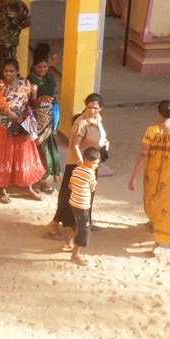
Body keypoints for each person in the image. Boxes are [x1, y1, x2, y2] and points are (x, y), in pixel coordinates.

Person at [44, 93, 109, 242]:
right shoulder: (81, 123)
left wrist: (105, 145)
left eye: (95, 108)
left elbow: (100, 138)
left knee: (88, 194)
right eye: (89, 107)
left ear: (101, 108)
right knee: (69, 195)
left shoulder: (98, 120)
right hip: (77, 165)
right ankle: (54, 224)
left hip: (91, 165)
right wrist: (81, 165)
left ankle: (84, 222)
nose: (92, 110)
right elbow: (75, 146)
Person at [128, 100, 170, 257]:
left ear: (159, 114)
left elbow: (143, 153)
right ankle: (158, 240)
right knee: (168, 204)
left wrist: (133, 177)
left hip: (152, 174)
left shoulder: (151, 131)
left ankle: (156, 237)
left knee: (152, 198)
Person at [0, 58, 45, 204]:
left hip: (22, 125)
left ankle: (27, 187)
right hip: (4, 128)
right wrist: (5, 112)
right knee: (4, 157)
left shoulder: (25, 84)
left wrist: (29, 110)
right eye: (5, 71)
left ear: (17, 71)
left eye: (11, 71)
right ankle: (1, 189)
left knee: (24, 155)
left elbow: (28, 103)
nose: (8, 74)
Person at [27, 53, 61, 194]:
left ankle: (45, 180)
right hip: (37, 120)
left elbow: (55, 92)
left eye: (45, 67)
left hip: (49, 117)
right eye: (40, 67)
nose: (43, 69)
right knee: (41, 150)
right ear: (34, 66)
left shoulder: (49, 77)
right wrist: (41, 99)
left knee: (49, 148)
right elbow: (31, 102)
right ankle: (39, 181)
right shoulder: (31, 80)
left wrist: (55, 98)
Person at [67, 147, 101, 266]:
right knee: (83, 229)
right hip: (83, 204)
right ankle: (75, 254)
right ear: (86, 161)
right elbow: (92, 188)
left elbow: (70, 185)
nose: (96, 166)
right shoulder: (91, 173)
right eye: (95, 163)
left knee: (78, 223)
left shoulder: (76, 169)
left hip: (73, 202)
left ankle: (67, 242)